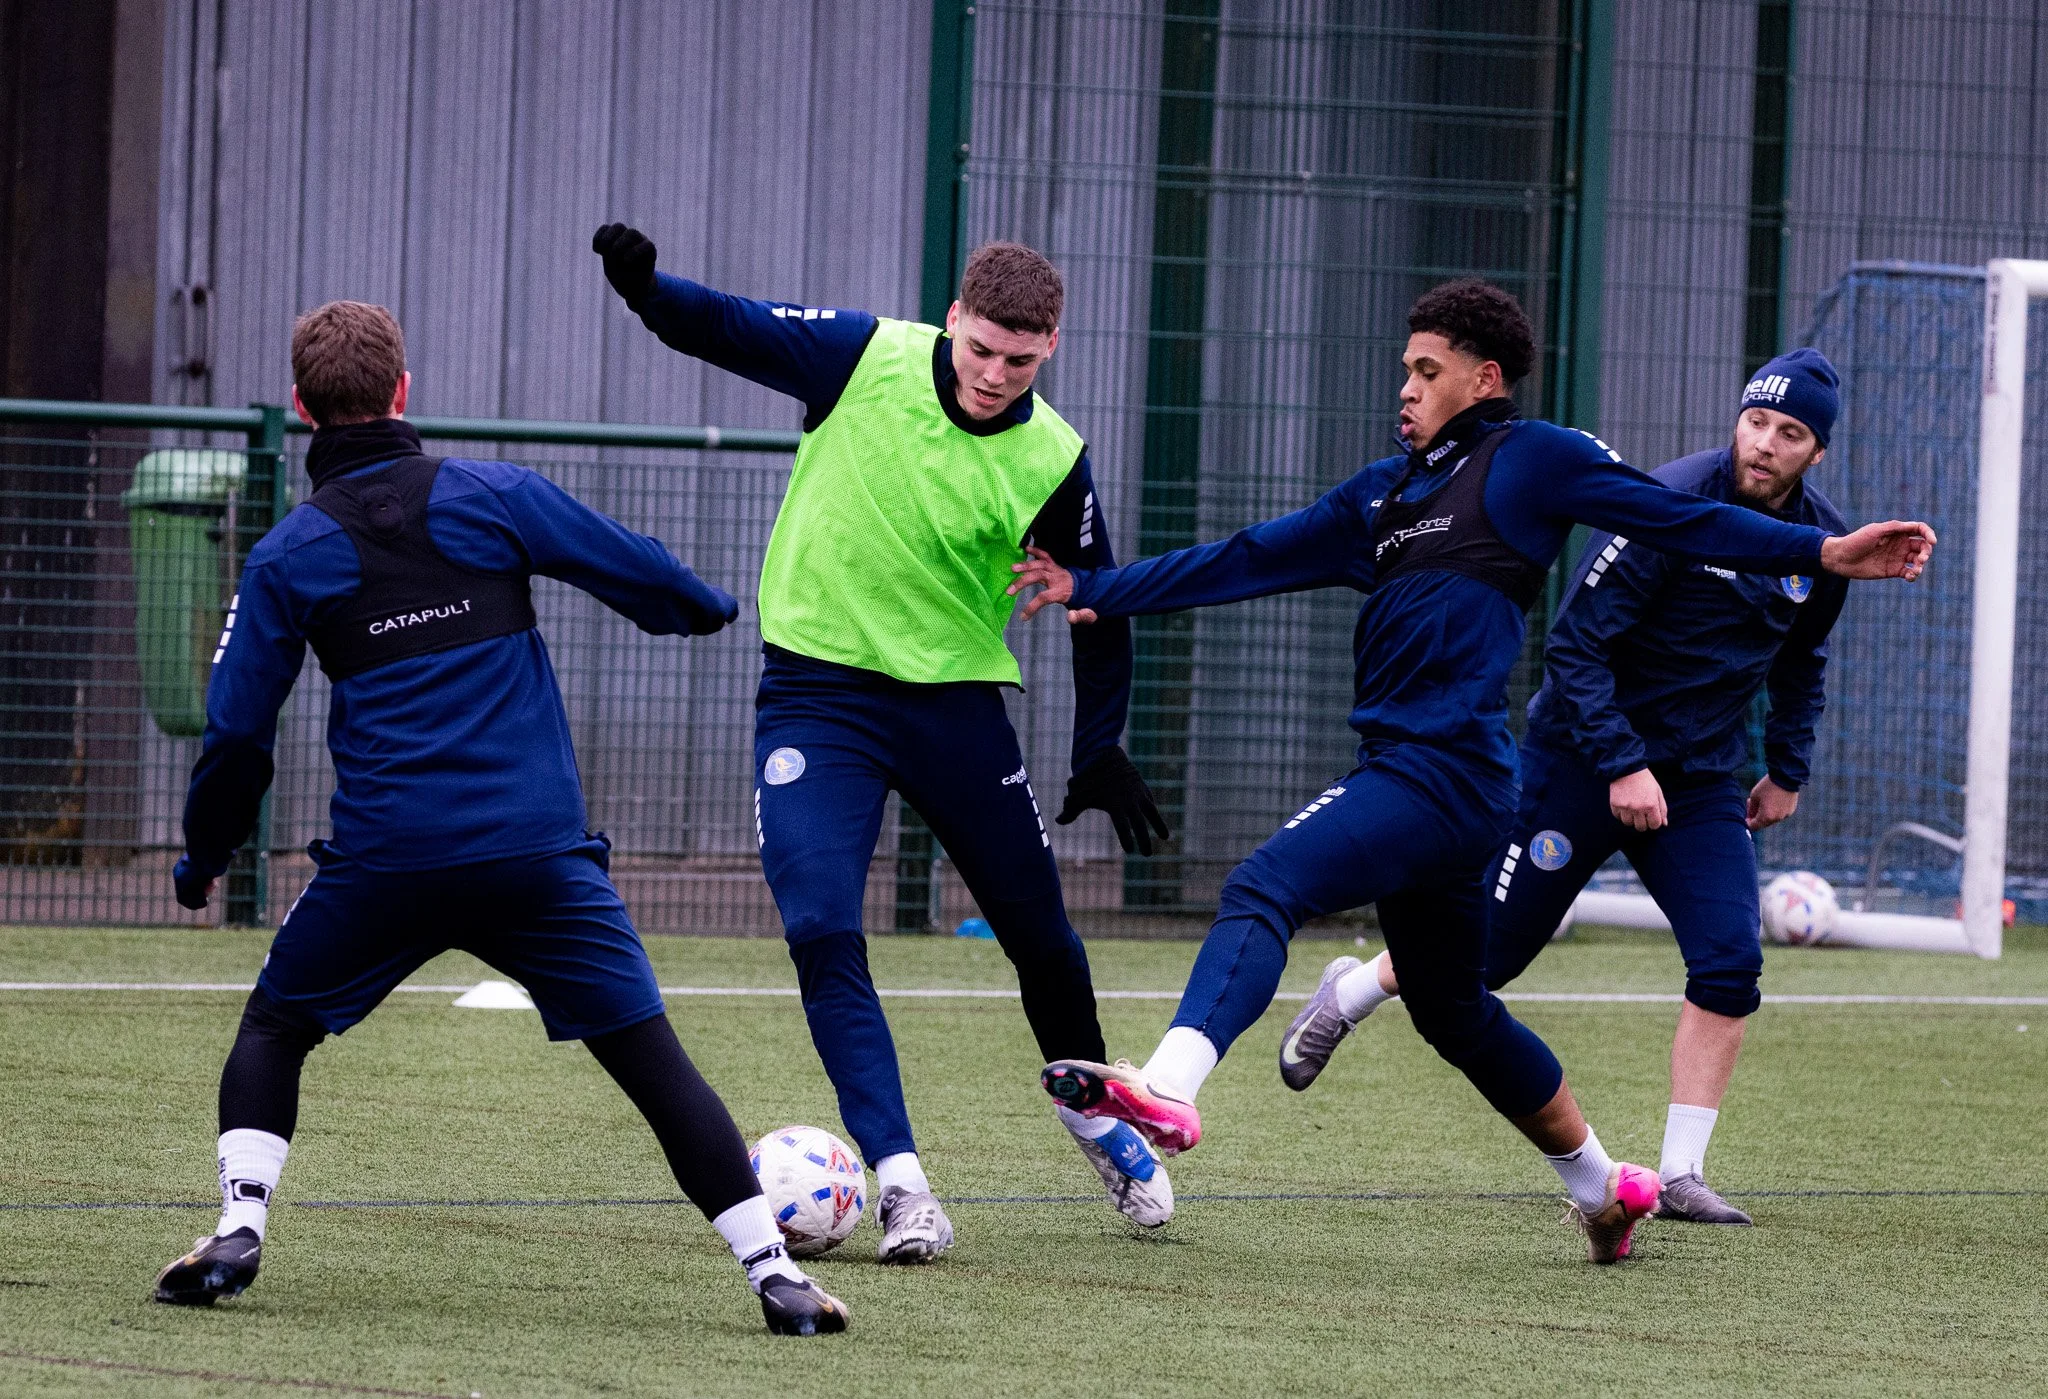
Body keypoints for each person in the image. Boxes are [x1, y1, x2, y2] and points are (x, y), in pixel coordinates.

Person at [1012, 281, 1933, 1263]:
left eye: (1424, 370)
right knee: (1457, 1010)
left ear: (1481, 378)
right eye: (1403, 369)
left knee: (1262, 885)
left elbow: (1680, 521)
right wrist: (1094, 589)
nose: (1402, 388)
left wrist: (1823, 549)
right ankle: (1603, 1187)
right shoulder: (1381, 495)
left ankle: (1169, 1086)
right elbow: (1244, 558)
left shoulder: (1533, 459)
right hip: (1460, 785)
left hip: (1439, 772)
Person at [153, 301, 847, 1336]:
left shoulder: (288, 554)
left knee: (275, 1026)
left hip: (386, 861)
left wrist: (202, 855)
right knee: (653, 1063)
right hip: (538, 859)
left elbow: (237, 737)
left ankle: (239, 1224)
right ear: (402, 390)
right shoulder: (494, 495)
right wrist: (700, 606)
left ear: (301, 409)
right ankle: (773, 1275)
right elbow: (648, 577)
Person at [592, 225, 1175, 1254]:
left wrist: (1100, 743)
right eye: (980, 348)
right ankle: (903, 1184)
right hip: (817, 699)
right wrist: (646, 289)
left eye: (1020, 359)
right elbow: (725, 326)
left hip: (955, 711)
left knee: (1042, 937)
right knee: (820, 923)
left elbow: (1096, 604)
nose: (994, 375)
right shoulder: (862, 356)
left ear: (1052, 347)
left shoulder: (1054, 457)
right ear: (951, 320)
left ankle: (1094, 1116)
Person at [1281, 350, 1852, 1228]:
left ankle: (1681, 1174)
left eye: (1791, 432)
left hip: (1698, 784)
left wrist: (1786, 768)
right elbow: (1575, 648)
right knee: (1485, 961)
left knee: (1731, 962)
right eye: (1756, 421)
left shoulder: (1821, 546)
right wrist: (1622, 762)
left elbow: (1802, 662)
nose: (1765, 443)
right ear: (1735, 420)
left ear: (1817, 453)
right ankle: (1351, 991)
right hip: (1580, 763)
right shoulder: (1669, 503)